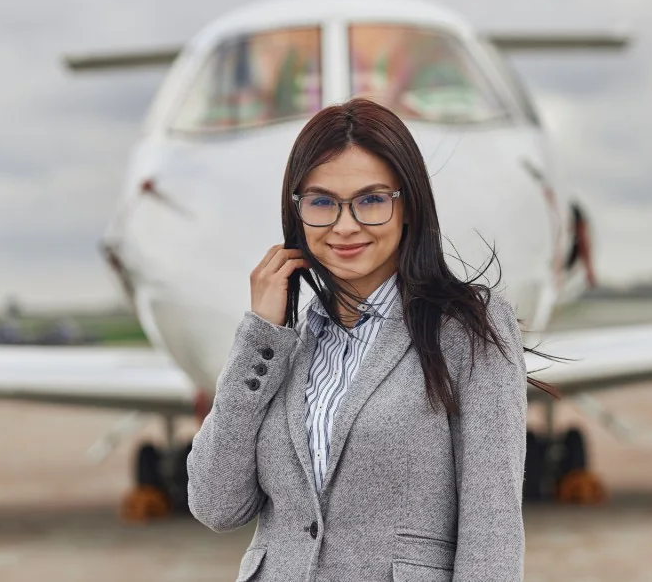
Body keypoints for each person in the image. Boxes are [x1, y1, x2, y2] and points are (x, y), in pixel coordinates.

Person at [188, 98, 534, 581]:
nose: (345, 225)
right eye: (322, 202)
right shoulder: (285, 344)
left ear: (407, 204)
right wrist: (260, 338)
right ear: (298, 210)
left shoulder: (469, 329)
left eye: (371, 200)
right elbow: (215, 504)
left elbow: (491, 530)